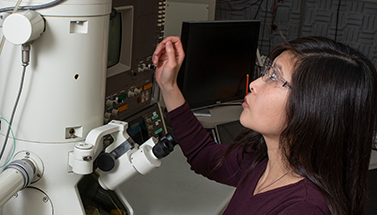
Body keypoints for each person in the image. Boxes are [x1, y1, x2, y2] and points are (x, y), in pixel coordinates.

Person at [152, 36, 377, 215]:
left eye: (275, 78)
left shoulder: (302, 209)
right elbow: (205, 155)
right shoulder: (262, 161)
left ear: (313, 109)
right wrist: (168, 86)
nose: (255, 84)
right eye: (266, 71)